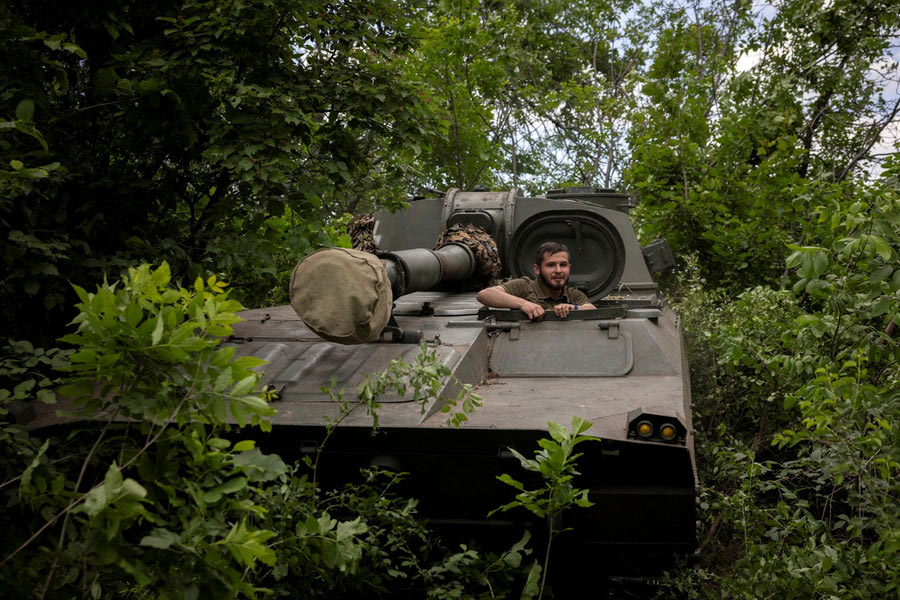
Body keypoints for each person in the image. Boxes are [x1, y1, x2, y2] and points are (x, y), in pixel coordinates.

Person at [476, 241, 596, 320]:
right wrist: (524, 304)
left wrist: (572, 308)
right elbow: (485, 295)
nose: (558, 270)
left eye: (563, 265)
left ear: (569, 268)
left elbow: (592, 311)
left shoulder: (572, 294)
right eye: (551, 265)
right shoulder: (525, 286)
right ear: (537, 269)